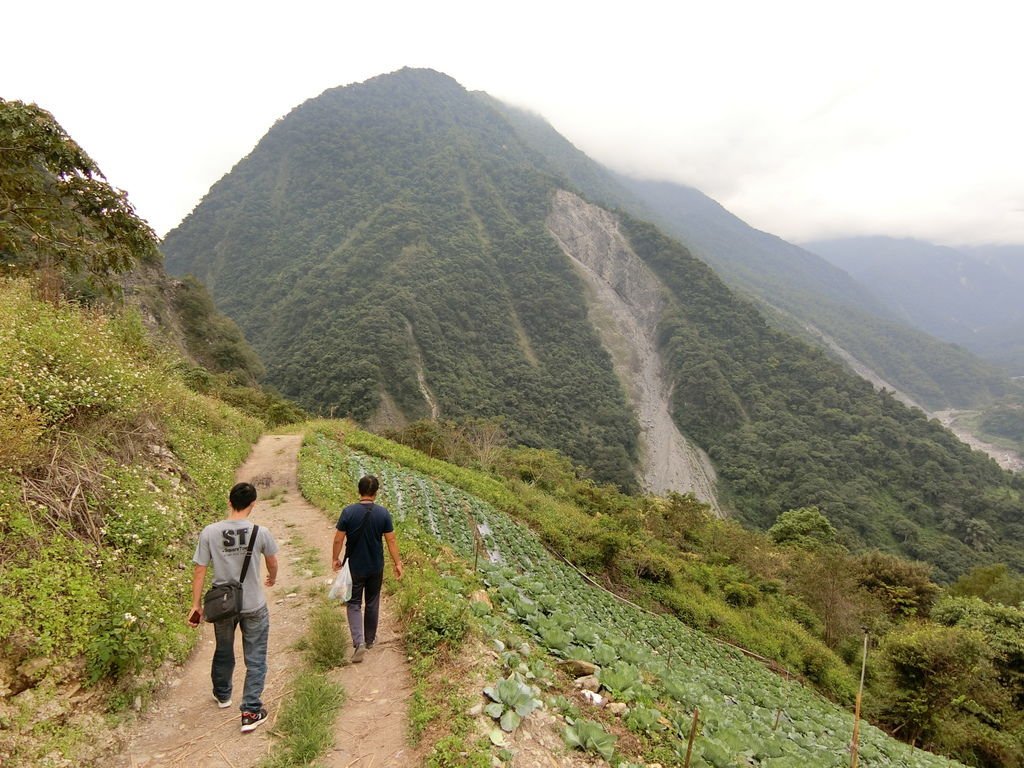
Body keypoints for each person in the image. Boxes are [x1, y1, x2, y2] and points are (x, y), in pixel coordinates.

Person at [189, 481, 279, 733]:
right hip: (254, 605)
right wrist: (273, 577)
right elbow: (272, 562)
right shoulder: (260, 532)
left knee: (224, 649)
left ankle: (222, 694)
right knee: (256, 657)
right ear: (253, 505)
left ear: (229, 502)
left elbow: (200, 570)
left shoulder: (210, 532)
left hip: (223, 605)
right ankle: (250, 711)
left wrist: (196, 604)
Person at [332, 474, 404, 662]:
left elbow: (339, 538)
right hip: (375, 565)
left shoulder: (348, 512)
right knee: (372, 601)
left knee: (354, 603)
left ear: (359, 491)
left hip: (355, 566)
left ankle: (359, 642)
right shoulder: (383, 513)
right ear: (376, 493)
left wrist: (335, 558)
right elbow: (391, 540)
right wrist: (397, 563)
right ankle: (370, 639)